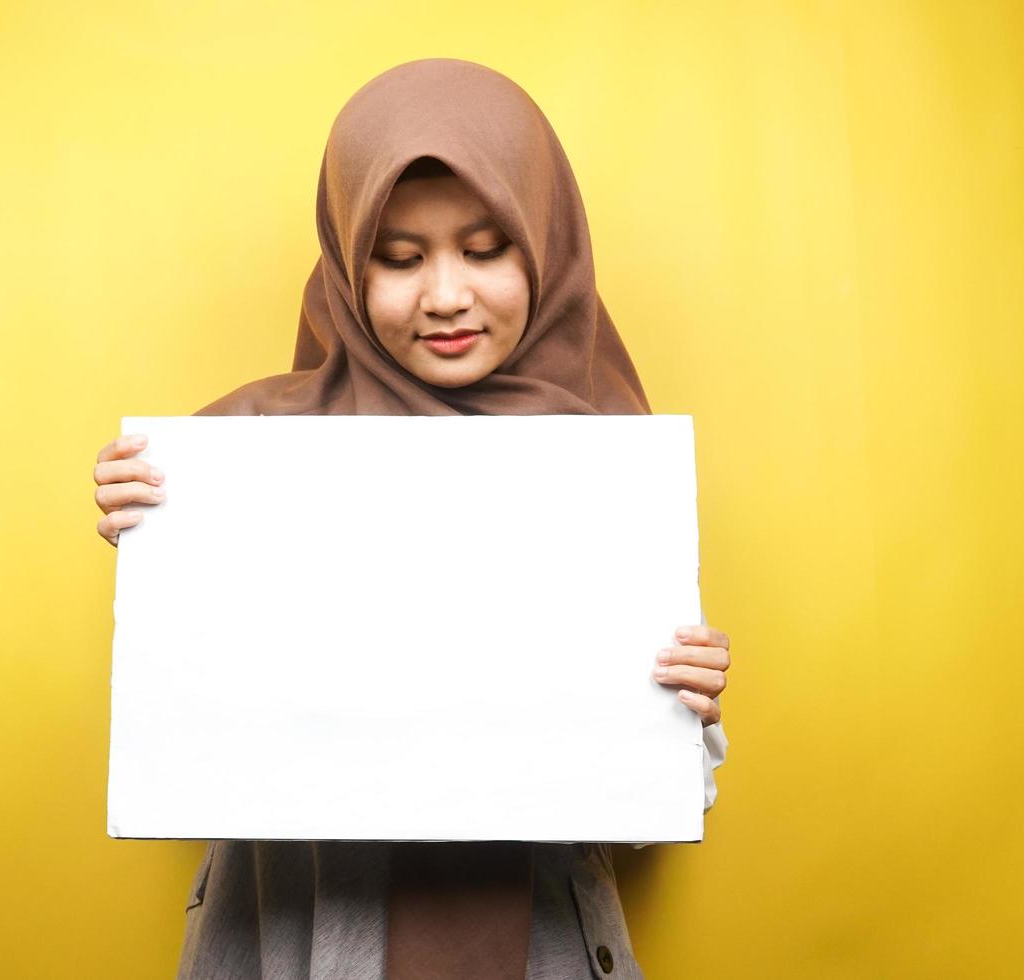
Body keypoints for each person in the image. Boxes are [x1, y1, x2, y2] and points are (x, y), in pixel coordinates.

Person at [91, 58, 731, 980]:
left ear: (544, 245)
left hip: (538, 943)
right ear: (348, 262)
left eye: (485, 249)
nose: (444, 296)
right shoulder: (245, 453)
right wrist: (151, 530)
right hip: (295, 935)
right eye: (398, 259)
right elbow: (194, 700)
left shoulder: (608, 462)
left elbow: (654, 794)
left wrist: (688, 710)